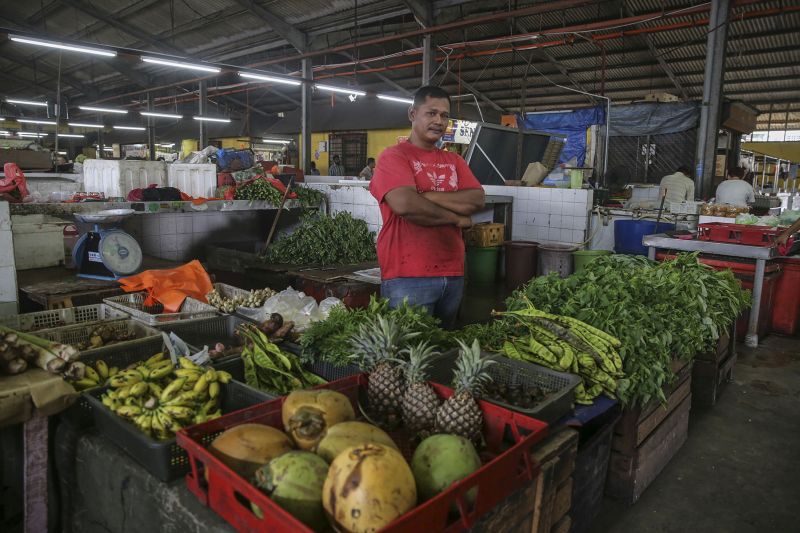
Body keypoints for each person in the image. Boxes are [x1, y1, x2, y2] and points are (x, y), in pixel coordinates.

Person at [370, 85, 485, 329]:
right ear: (413, 114)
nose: (438, 121)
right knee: (407, 358)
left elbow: (476, 200)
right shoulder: (394, 157)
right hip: (407, 275)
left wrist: (426, 194)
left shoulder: (454, 160)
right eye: (431, 113)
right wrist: (456, 219)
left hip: (453, 272)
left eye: (444, 115)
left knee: (443, 351)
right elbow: (405, 205)